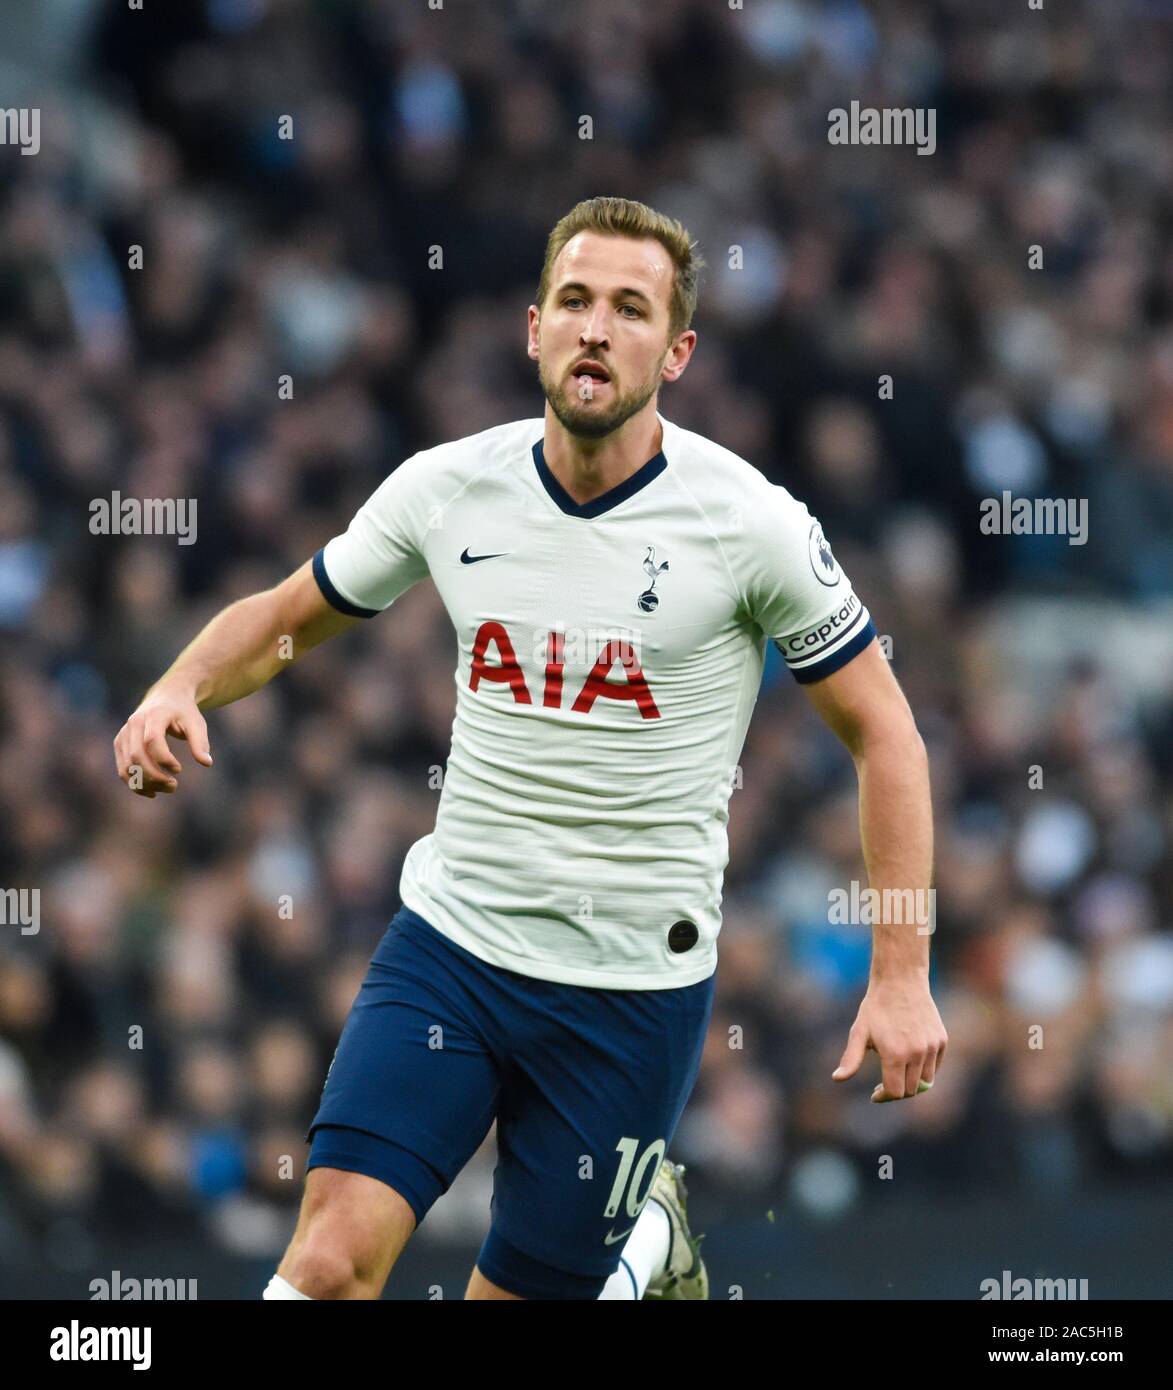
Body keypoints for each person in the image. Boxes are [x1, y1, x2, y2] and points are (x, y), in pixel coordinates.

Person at [113, 196, 947, 1300]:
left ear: (678, 349)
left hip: (628, 994)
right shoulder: (449, 486)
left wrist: (901, 973)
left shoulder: (751, 526)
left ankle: (649, 1238)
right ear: (533, 327)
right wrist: (179, 684)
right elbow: (282, 619)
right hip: (453, 946)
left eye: (631, 309)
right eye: (575, 301)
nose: (596, 328)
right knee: (323, 1266)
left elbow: (885, 735)